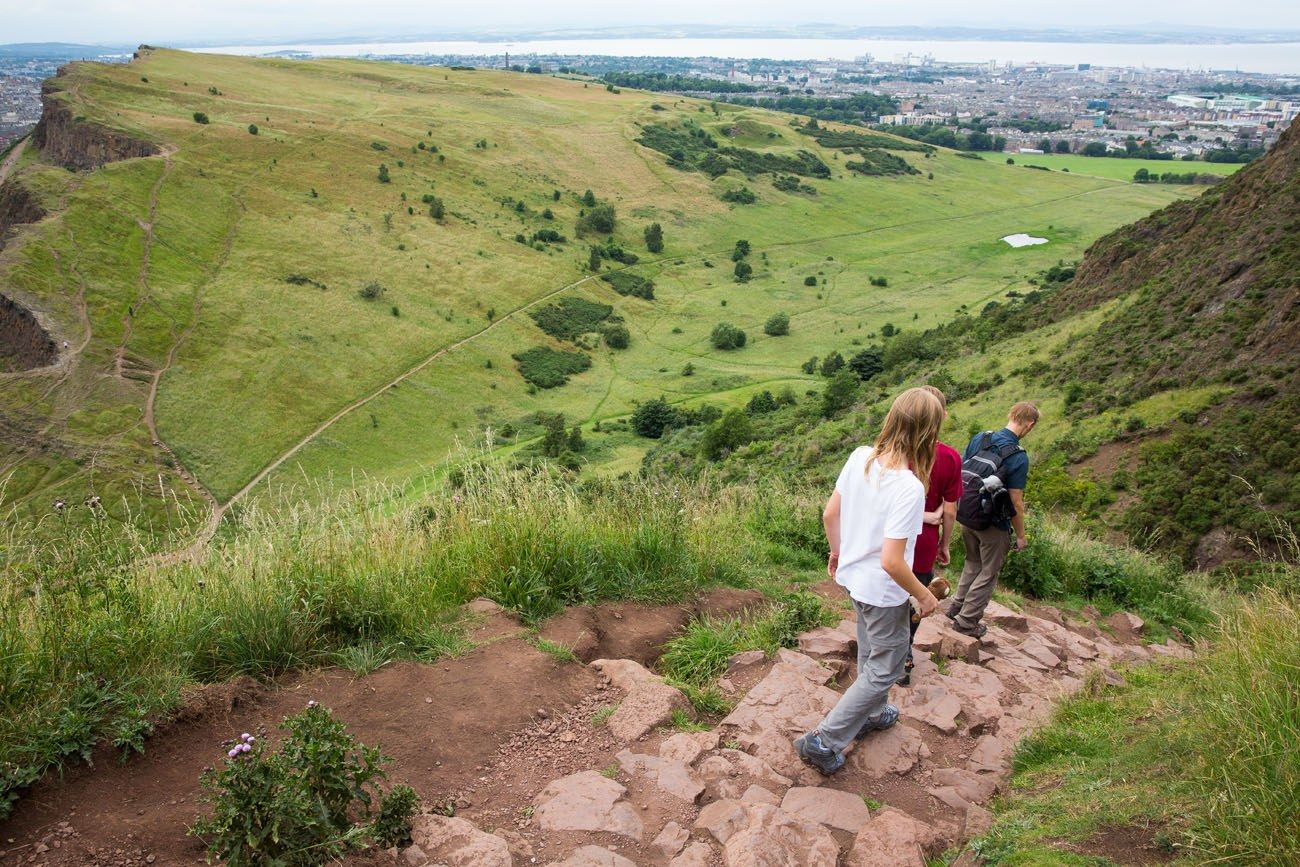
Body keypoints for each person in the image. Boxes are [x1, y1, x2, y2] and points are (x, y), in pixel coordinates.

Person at [794, 387, 945, 776]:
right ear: (929, 434)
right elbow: (893, 561)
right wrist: (924, 594)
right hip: (883, 589)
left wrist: (838, 552)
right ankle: (824, 740)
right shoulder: (909, 487)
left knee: (871, 647)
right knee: (887, 666)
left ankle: (874, 711)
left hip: (854, 578)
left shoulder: (860, 456)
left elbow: (830, 514)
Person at [948, 401, 1039, 638]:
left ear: (1011, 415)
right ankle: (966, 622)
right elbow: (1016, 501)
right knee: (988, 571)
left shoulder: (981, 438)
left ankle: (956, 607)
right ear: (1029, 425)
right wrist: (1020, 535)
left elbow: (963, 472)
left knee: (972, 562)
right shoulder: (1018, 457)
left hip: (966, 512)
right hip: (993, 523)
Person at [898, 384, 963, 686]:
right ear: (941, 415)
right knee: (915, 599)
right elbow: (949, 511)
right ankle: (903, 656)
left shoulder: (895, 451)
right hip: (924, 541)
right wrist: (945, 543)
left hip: (891, 537)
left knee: (889, 594)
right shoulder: (949, 457)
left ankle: (880, 652)